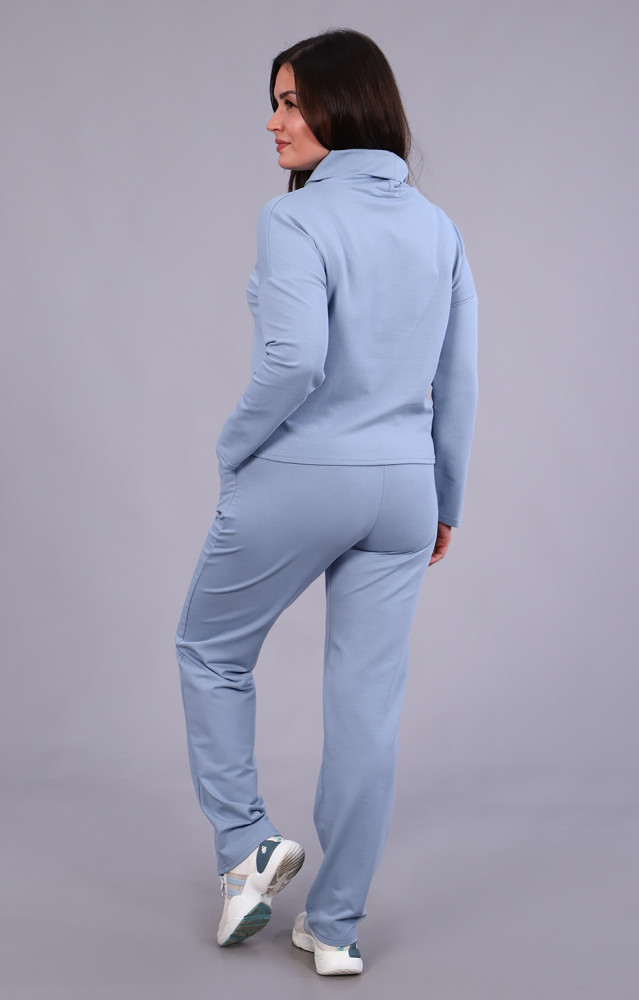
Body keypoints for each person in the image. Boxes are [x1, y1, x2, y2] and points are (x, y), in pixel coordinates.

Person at [174, 28, 478, 977]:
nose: (274, 122)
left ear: (346, 106)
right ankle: (336, 926)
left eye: (292, 102)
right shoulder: (438, 227)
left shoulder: (294, 217)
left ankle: (246, 847)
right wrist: (446, 499)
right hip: (404, 489)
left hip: (304, 475)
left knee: (209, 653)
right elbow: (459, 376)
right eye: (274, 103)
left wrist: (234, 448)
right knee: (365, 712)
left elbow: (295, 359)